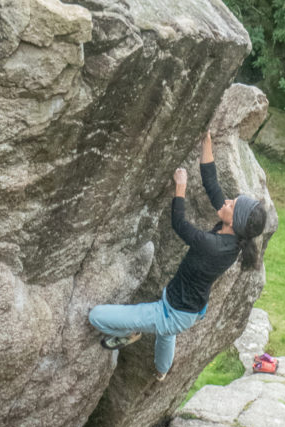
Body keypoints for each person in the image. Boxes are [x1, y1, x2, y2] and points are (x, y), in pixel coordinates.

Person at [88, 131, 268, 381]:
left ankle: (130, 332)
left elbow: (180, 225)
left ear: (234, 221)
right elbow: (212, 185)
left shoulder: (214, 245)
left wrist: (180, 186)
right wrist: (206, 143)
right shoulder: (232, 236)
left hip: (171, 311)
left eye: (231, 205)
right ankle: (162, 371)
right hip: (189, 309)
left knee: (96, 316)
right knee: (167, 333)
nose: (226, 201)